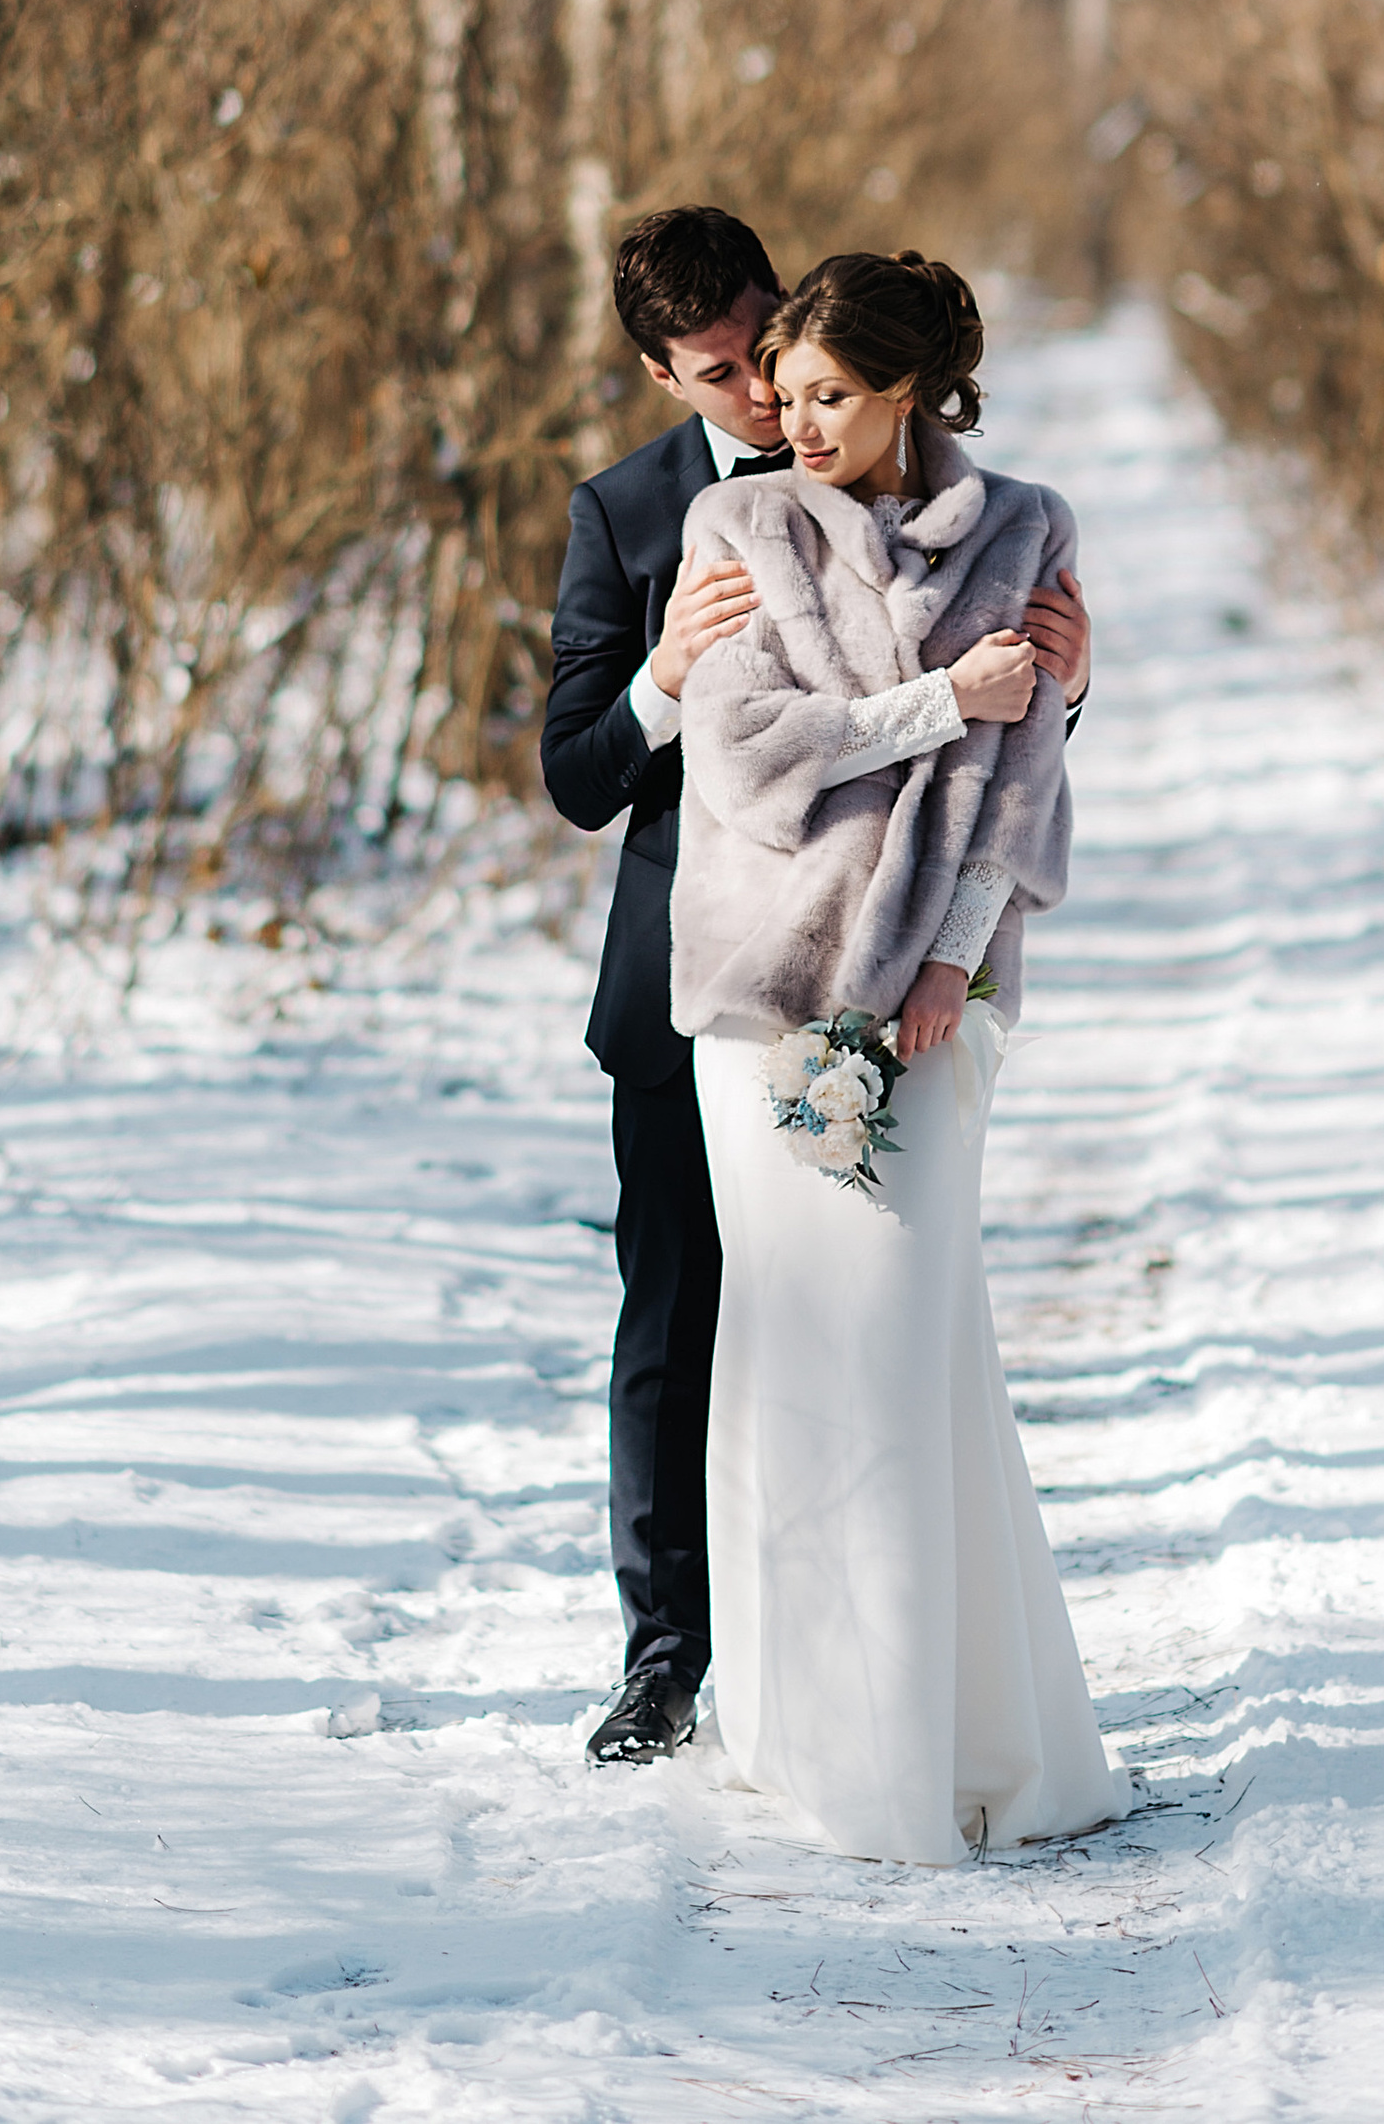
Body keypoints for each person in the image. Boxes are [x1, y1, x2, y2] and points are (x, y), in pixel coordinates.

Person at [543, 210, 1090, 1771]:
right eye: (719, 376)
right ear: (663, 372)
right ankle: (670, 1660)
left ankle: (894, 1684)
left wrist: (1065, 674)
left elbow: (1009, 754)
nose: (764, 401)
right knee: (682, 1319)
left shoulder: (940, 480)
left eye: (768, 351)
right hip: (700, 974)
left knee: (880, 1330)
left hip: (910, 965)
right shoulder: (639, 515)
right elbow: (578, 776)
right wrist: (663, 678)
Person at [669, 250, 1129, 1865]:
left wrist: (948, 960)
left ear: (915, 391)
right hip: (763, 996)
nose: (796, 424)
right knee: (794, 1354)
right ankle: (812, 1741)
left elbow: (1020, 780)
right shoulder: (735, 530)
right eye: (781, 395)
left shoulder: (1026, 529)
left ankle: (963, 1735)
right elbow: (749, 762)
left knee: (917, 1352)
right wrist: (945, 694)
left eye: (832, 398)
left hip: (933, 1009)